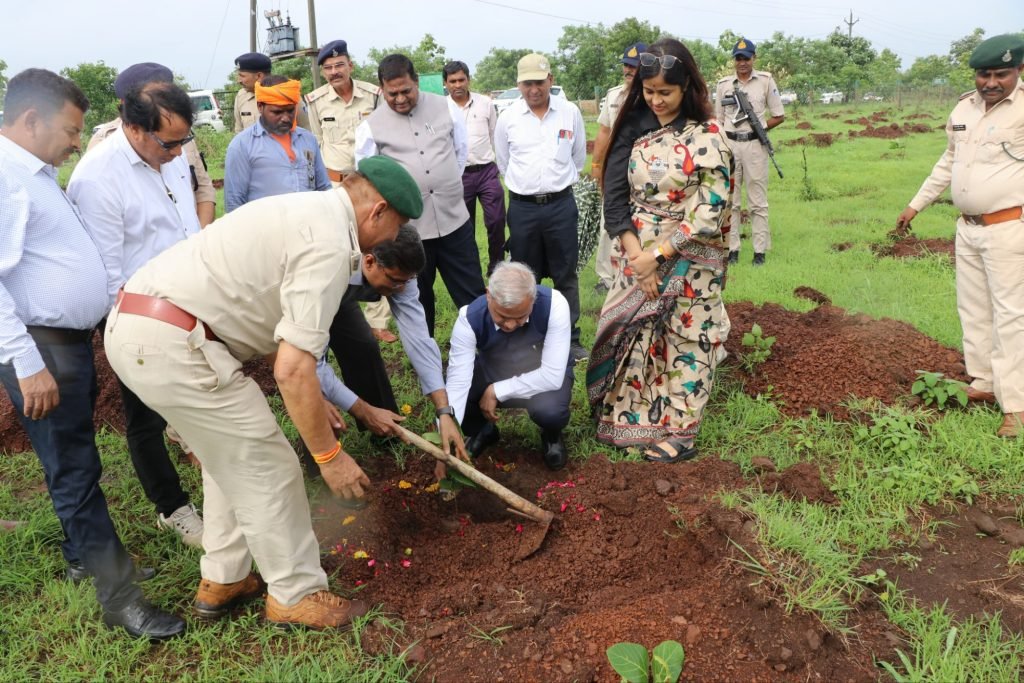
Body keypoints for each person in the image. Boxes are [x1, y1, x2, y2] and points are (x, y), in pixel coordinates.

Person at [105, 156, 419, 629]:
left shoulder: (304, 209)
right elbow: (292, 371)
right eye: (395, 225)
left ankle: (224, 578)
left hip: (143, 327)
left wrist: (325, 403)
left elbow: (283, 346)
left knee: (227, 458)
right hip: (176, 342)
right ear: (376, 211)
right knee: (270, 465)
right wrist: (330, 456)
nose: (392, 237)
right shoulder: (330, 245)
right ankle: (296, 592)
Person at [0, 68, 184, 639]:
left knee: (73, 463)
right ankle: (120, 598)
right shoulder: (5, 178)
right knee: (75, 471)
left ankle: (85, 556)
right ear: (31, 121)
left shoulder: (35, 173)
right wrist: (27, 365)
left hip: (68, 344)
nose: (79, 142)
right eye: (71, 130)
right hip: (41, 348)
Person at [68, 81, 205, 548]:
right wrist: (143, 328)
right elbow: (107, 273)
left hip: (193, 300)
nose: (177, 151)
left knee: (204, 397)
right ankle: (173, 507)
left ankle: (217, 480)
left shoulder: (170, 155)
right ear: (131, 127)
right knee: (145, 416)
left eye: (183, 140)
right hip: (139, 318)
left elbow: (185, 223)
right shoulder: (97, 178)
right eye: (168, 142)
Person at [587, 39, 732, 464]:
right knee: (642, 336)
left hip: (690, 258)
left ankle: (682, 433)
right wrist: (639, 258)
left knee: (688, 338)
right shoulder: (634, 126)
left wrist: (661, 254)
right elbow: (615, 199)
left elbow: (711, 207)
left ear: (687, 85)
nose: (656, 100)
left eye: (665, 93)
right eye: (649, 91)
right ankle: (638, 418)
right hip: (636, 254)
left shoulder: (708, 135)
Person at [895, 34, 1024, 438]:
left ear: (1018, 71)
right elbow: (948, 161)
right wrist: (916, 203)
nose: (991, 82)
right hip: (966, 229)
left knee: (1010, 317)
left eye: (1001, 74)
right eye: (984, 74)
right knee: (973, 309)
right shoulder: (963, 108)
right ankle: (984, 381)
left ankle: (1016, 406)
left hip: (1007, 227)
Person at [317, 225, 468, 479]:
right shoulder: (325, 270)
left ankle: (383, 432)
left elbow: (419, 338)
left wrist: (444, 412)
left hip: (345, 289)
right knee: (309, 391)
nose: (401, 288)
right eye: (395, 281)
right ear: (369, 261)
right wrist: (355, 408)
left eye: (406, 282)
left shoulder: (400, 273)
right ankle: (320, 459)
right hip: (294, 301)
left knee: (363, 346)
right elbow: (312, 364)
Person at [356, 54, 485, 335]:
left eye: (406, 91)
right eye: (392, 94)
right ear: (381, 89)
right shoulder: (370, 126)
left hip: (455, 222)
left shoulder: (446, 108)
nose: (400, 98)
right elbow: (367, 175)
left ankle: (485, 350)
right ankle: (426, 362)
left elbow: (460, 152)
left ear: (417, 82)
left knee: (471, 293)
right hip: (408, 233)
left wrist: (442, 183)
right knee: (418, 299)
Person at [494, 53, 588, 363]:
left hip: (561, 205)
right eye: (527, 83)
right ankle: (527, 338)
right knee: (524, 274)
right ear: (518, 85)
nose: (534, 89)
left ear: (550, 80)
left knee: (566, 274)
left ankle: (571, 339)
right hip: (523, 209)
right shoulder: (508, 118)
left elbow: (578, 157)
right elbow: (504, 161)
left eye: (539, 82)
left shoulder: (569, 112)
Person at [306, 40, 394, 343]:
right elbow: (315, 144)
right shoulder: (314, 102)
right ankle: (336, 314)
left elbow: (384, 138)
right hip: (334, 184)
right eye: (328, 68)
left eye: (339, 65)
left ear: (350, 65)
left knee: (375, 244)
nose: (333, 72)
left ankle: (378, 320)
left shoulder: (373, 95)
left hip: (368, 185)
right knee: (336, 248)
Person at [446, 262, 573, 470]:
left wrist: (496, 391)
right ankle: (482, 430)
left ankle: (551, 436)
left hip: (541, 375)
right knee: (461, 393)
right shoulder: (469, 318)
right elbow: (457, 383)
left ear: (533, 300)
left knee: (551, 411)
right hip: (494, 370)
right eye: (502, 316)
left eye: (520, 317)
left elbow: (552, 375)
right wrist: (448, 431)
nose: (511, 325)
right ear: (489, 296)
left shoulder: (555, 305)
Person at [87, 62, 216, 227]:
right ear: (128, 102)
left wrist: (197, 243)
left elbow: (203, 190)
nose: (177, 151)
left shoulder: (178, 135)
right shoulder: (103, 146)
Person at [714, 38, 784, 266]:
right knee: (730, 201)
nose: (742, 62)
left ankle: (759, 251)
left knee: (757, 201)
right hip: (730, 146)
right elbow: (718, 120)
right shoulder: (724, 85)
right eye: (738, 58)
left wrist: (760, 128)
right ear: (734, 60)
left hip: (755, 146)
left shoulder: (765, 81)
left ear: (754, 58)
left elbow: (778, 115)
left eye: (746, 58)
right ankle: (732, 249)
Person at [224, 76, 330, 212]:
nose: (286, 118)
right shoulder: (241, 146)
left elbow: (323, 188)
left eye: (291, 110)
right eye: (277, 112)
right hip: (266, 230)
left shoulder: (308, 139)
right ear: (260, 107)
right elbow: (234, 202)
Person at [591, 42, 645, 294]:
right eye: (626, 65)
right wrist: (596, 164)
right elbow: (603, 132)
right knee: (608, 220)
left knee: (641, 220)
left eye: (634, 66)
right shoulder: (614, 95)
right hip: (615, 169)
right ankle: (605, 276)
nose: (629, 70)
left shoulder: (650, 94)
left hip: (644, 169)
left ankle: (637, 269)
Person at [444, 60, 507, 276]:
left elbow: (494, 135)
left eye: (461, 79)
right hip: (459, 175)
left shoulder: (486, 103)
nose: (457, 84)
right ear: (446, 83)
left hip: (487, 171)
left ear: (468, 80)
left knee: (497, 220)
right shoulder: (441, 108)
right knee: (464, 225)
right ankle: (470, 270)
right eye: (452, 81)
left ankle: (497, 267)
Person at [233, 52, 271, 133]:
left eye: (242, 76)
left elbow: (303, 131)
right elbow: (239, 132)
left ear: (259, 76)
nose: (238, 81)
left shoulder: (286, 94)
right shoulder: (241, 96)